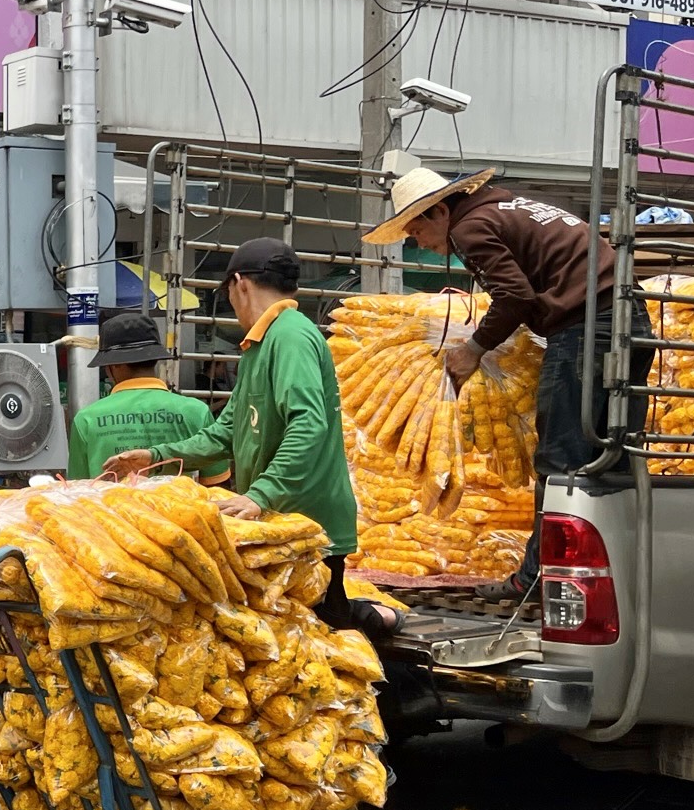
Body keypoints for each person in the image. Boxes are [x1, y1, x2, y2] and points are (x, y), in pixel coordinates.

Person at [363, 164, 639, 599]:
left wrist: (473, 348)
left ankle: (534, 580)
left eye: (417, 233)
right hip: (628, 319)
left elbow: (515, 296)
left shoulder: (471, 228)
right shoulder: (503, 209)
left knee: (559, 458)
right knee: (612, 454)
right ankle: (619, 572)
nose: (423, 245)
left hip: (587, 326)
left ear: (439, 212)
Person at [102, 238, 395, 639]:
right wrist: (154, 455)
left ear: (240, 284)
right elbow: (226, 432)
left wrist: (260, 495)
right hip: (281, 524)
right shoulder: (260, 344)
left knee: (323, 640)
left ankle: (386, 637)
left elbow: (308, 423)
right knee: (299, 634)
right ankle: (378, 619)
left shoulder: (290, 336)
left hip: (310, 528)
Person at [66, 312, 228, 484]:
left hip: (112, 511)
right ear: (155, 359)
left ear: (112, 365)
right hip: (178, 510)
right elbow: (217, 483)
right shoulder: (196, 411)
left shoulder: (86, 420)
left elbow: (76, 492)